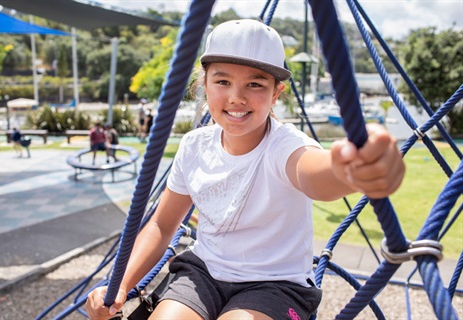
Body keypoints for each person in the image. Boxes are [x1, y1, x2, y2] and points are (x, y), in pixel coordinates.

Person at [86, 19, 405, 320]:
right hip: (203, 272)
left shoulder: (284, 146)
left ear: (276, 93)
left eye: (255, 84)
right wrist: (120, 284)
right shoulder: (195, 146)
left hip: (277, 285)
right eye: (223, 81)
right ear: (204, 84)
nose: (236, 98)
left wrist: (347, 169)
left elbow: (316, 176)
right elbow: (162, 224)